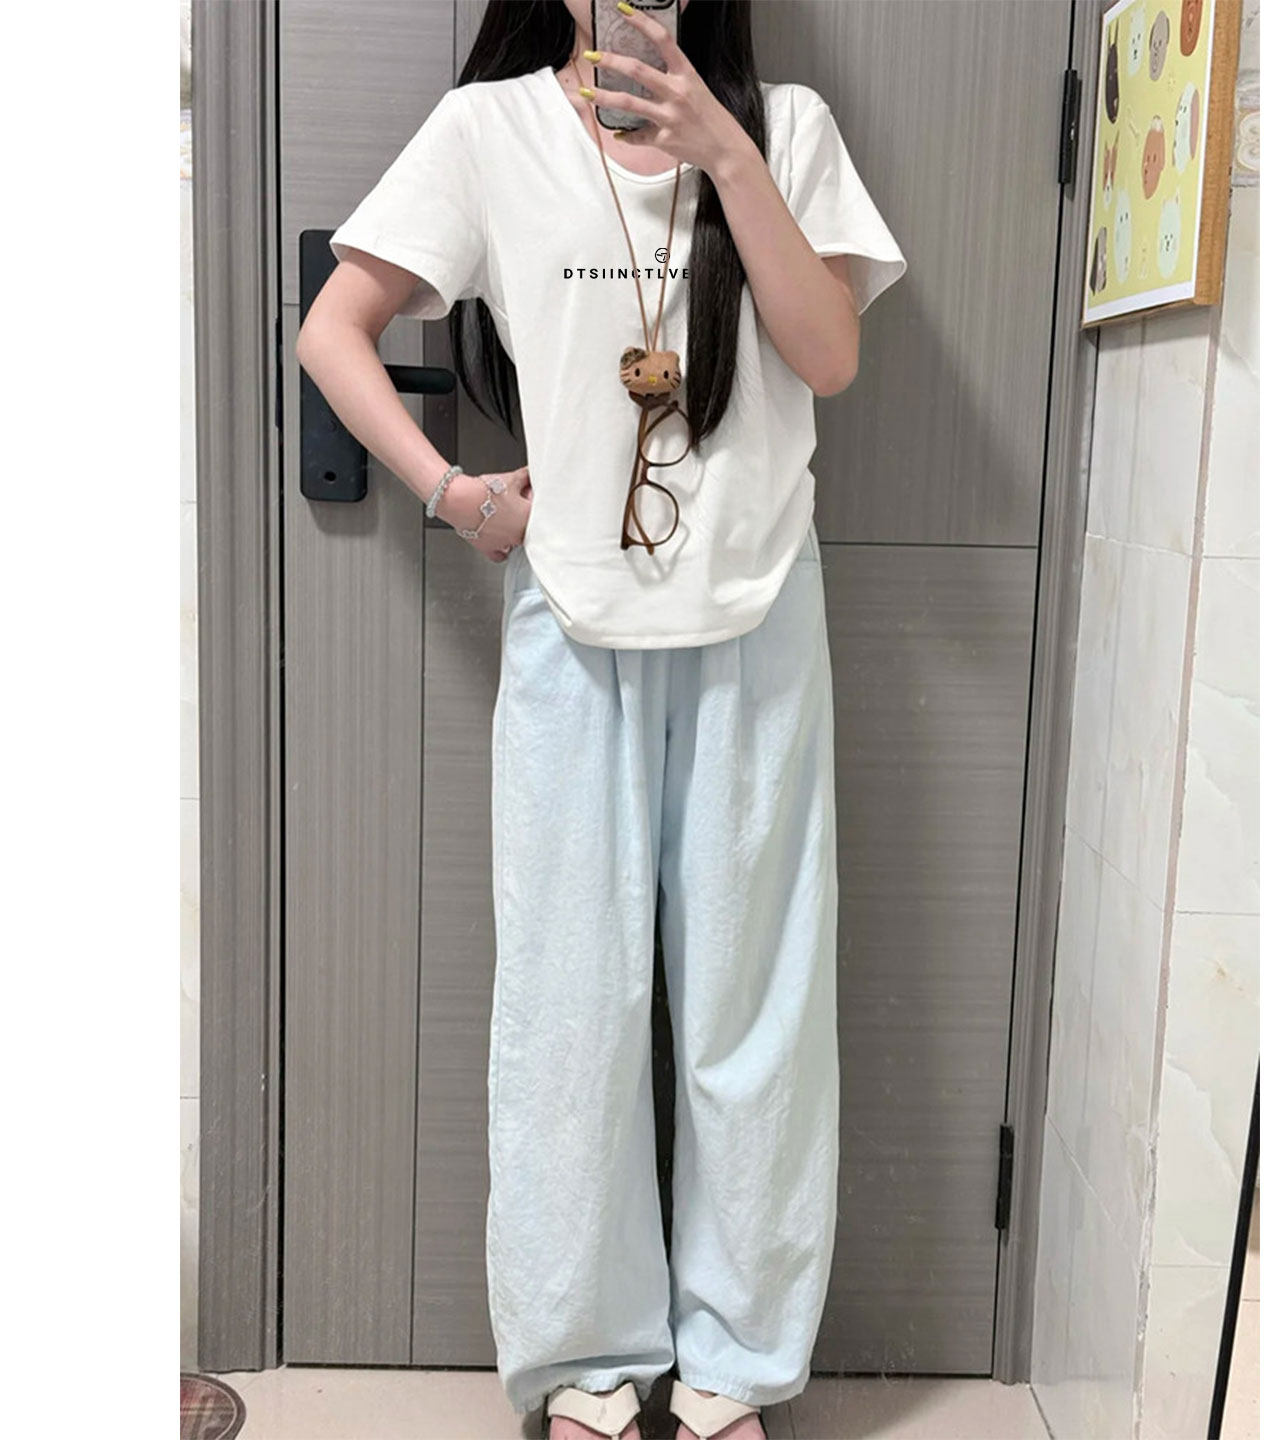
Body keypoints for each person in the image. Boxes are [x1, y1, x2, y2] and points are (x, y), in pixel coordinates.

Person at [295, 2, 906, 1436]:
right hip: (573, 622)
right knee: (570, 1009)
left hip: (759, 613)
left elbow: (828, 357)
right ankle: (584, 1367)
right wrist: (456, 496)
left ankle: (736, 1371)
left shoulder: (788, 127)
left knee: (759, 1012)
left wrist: (724, 150)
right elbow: (334, 326)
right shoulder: (490, 128)